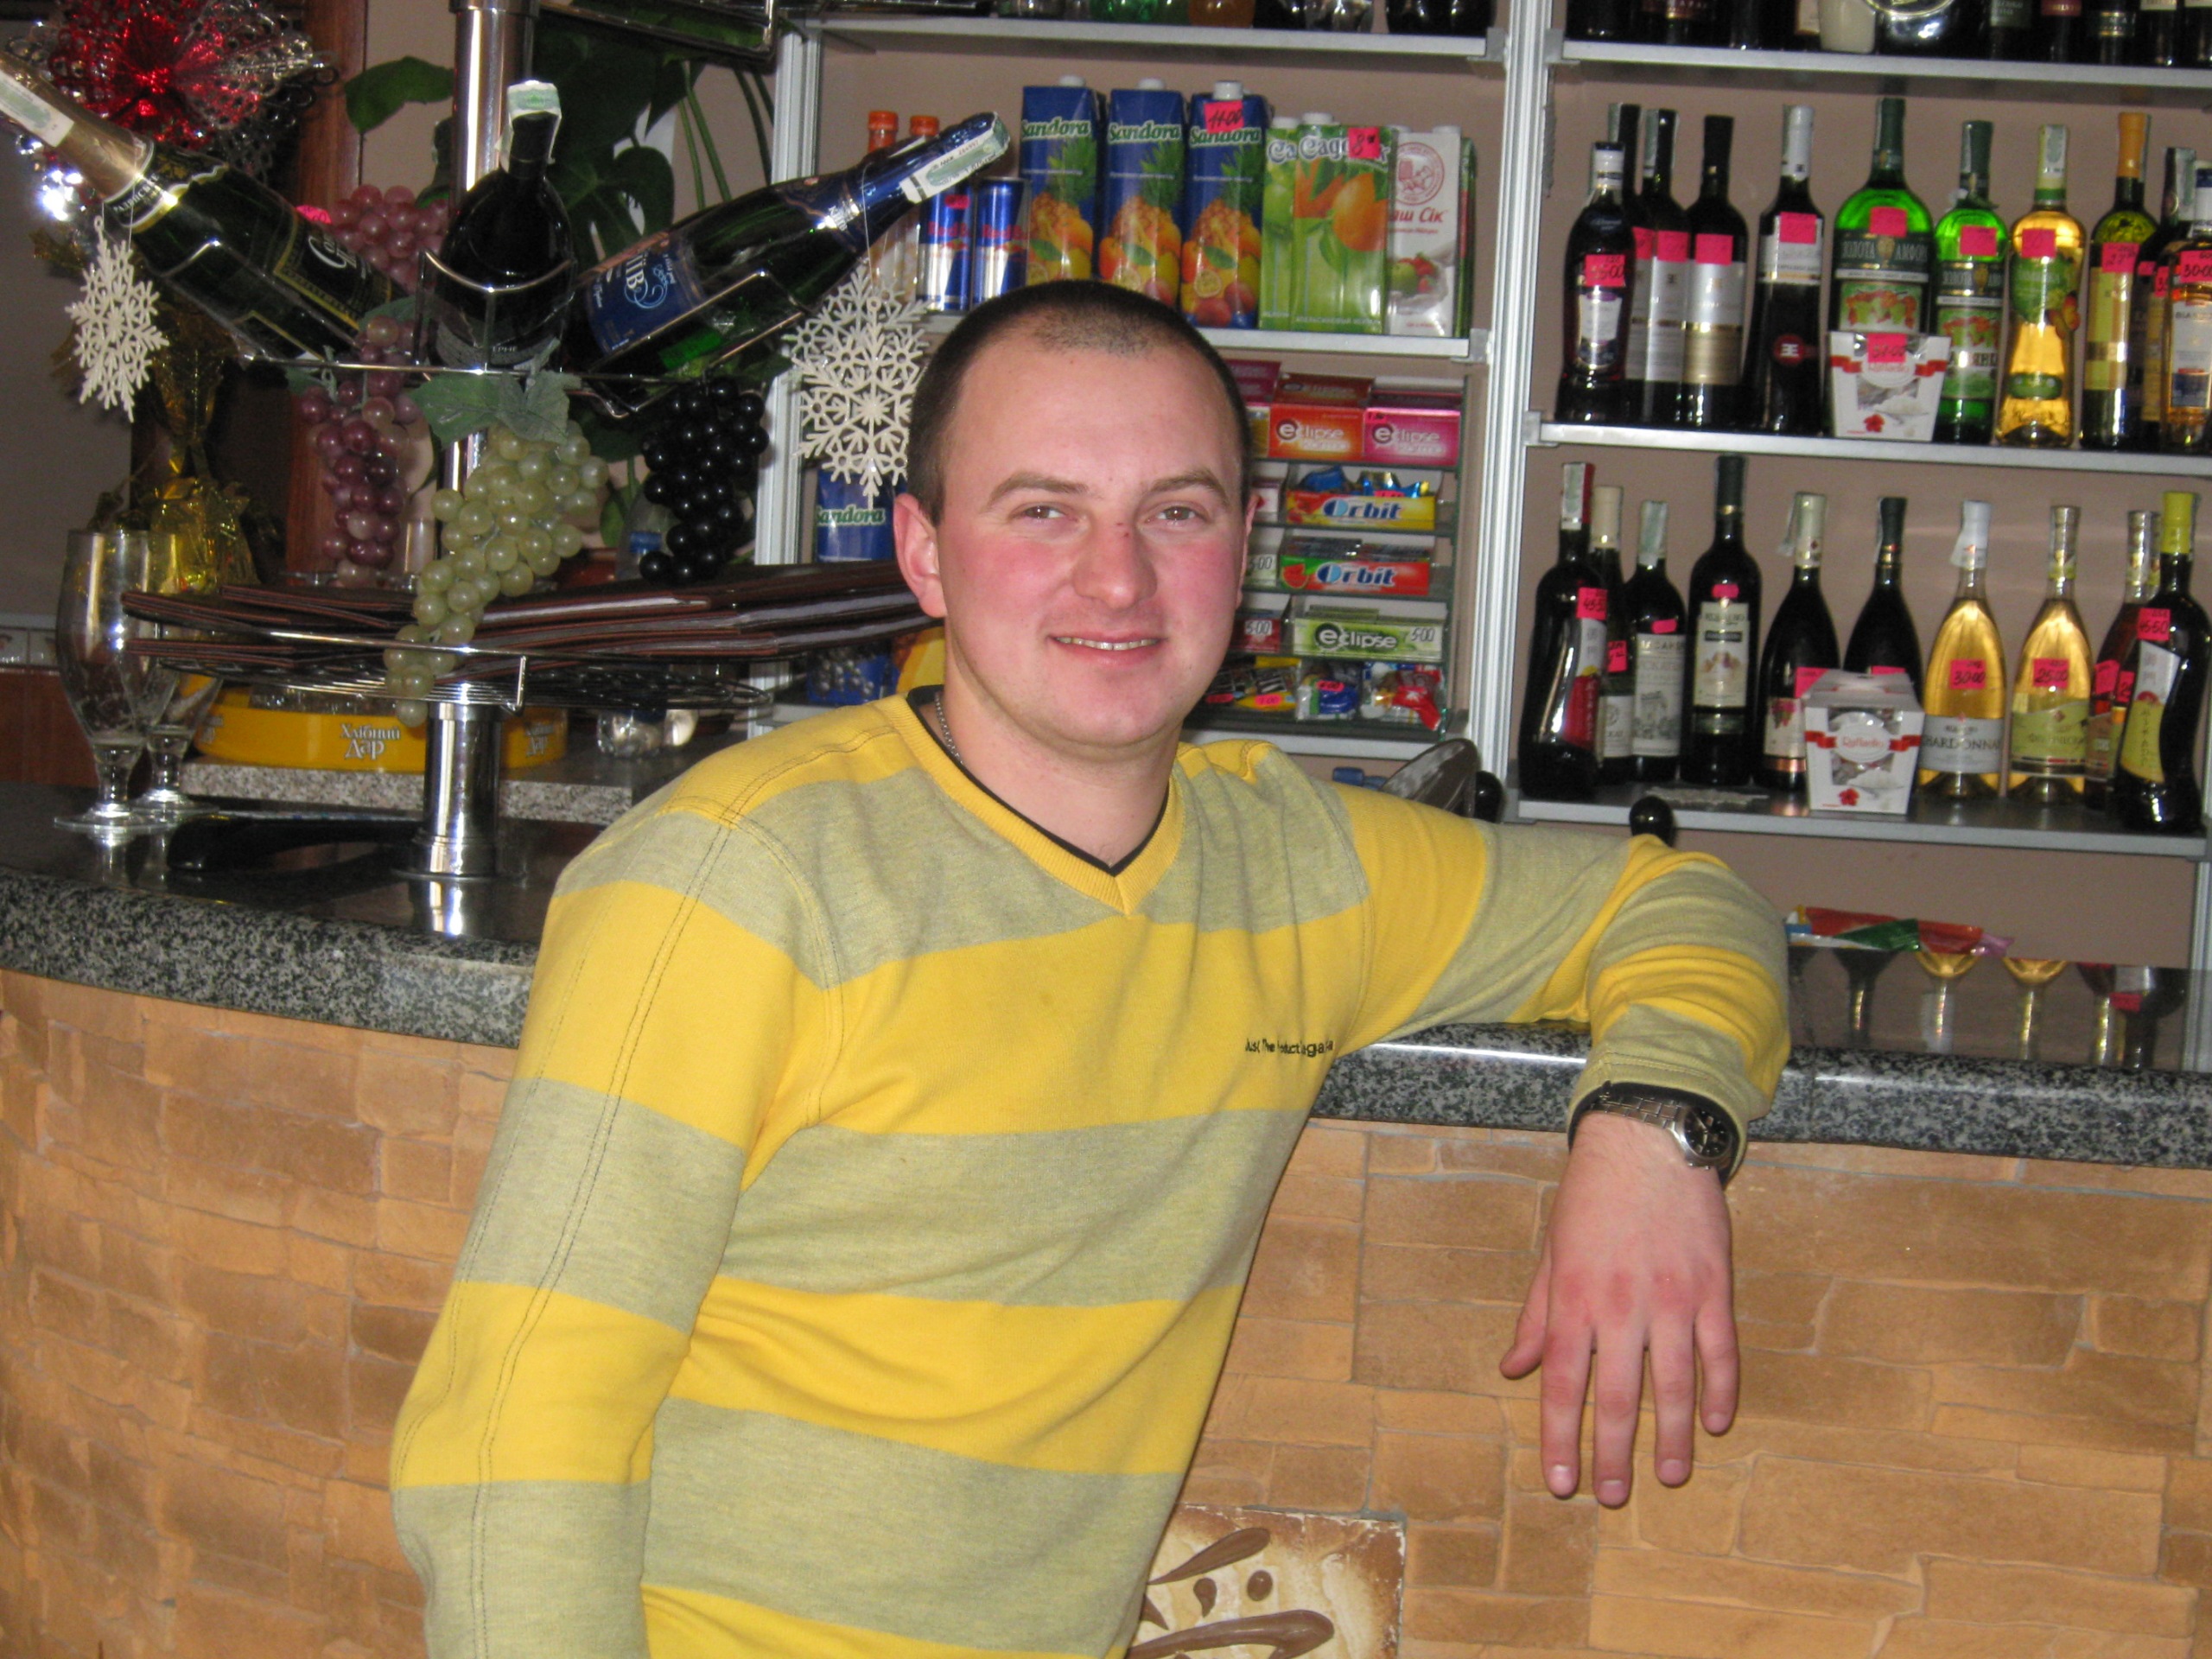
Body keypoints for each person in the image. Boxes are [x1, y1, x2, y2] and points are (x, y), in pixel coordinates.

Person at [390, 280, 1787, 1658]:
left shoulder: (1297, 871)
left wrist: (1653, 1134)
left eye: (1176, 512)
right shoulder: (732, 878)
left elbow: (1681, 902)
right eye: (1043, 510)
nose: (1118, 580)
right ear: (926, 552)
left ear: (1247, 542)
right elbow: (518, 1432)